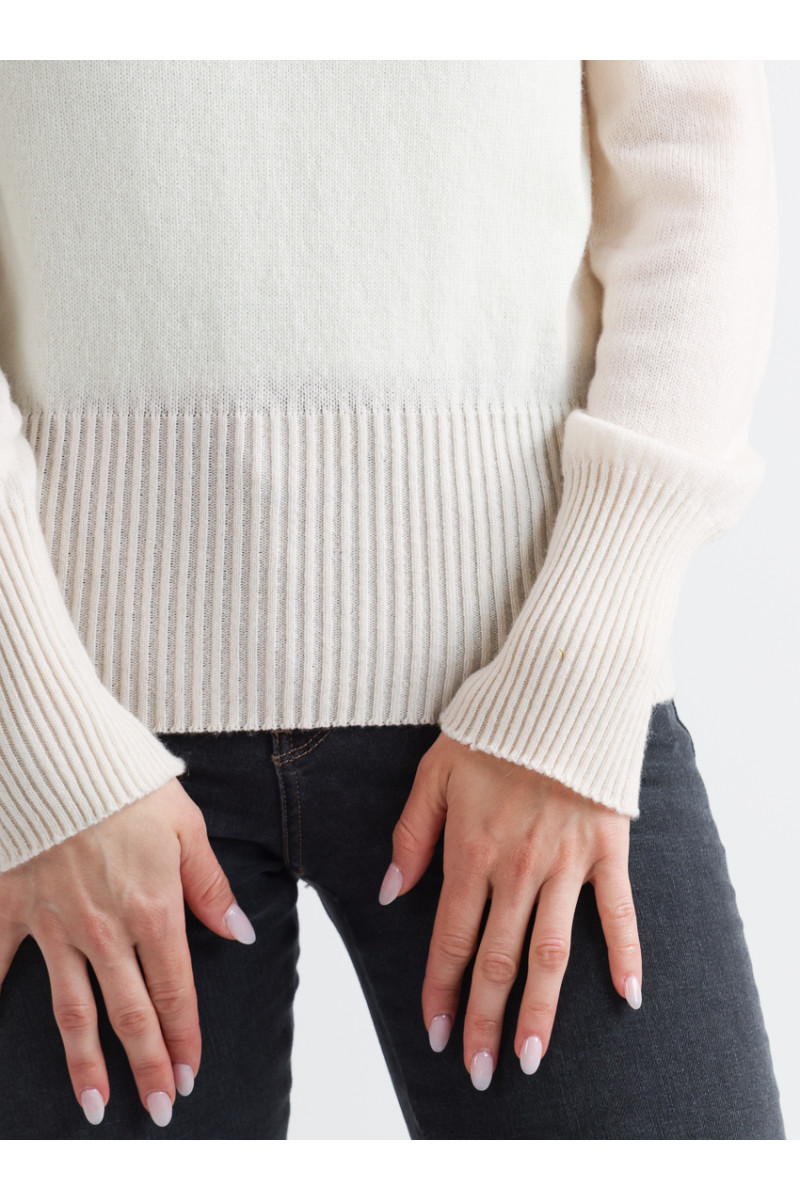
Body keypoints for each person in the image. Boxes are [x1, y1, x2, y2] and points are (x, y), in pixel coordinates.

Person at [0, 59, 786, 1139]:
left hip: (535, 693)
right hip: (73, 743)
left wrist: (581, 668)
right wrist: (32, 727)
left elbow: (699, 165)